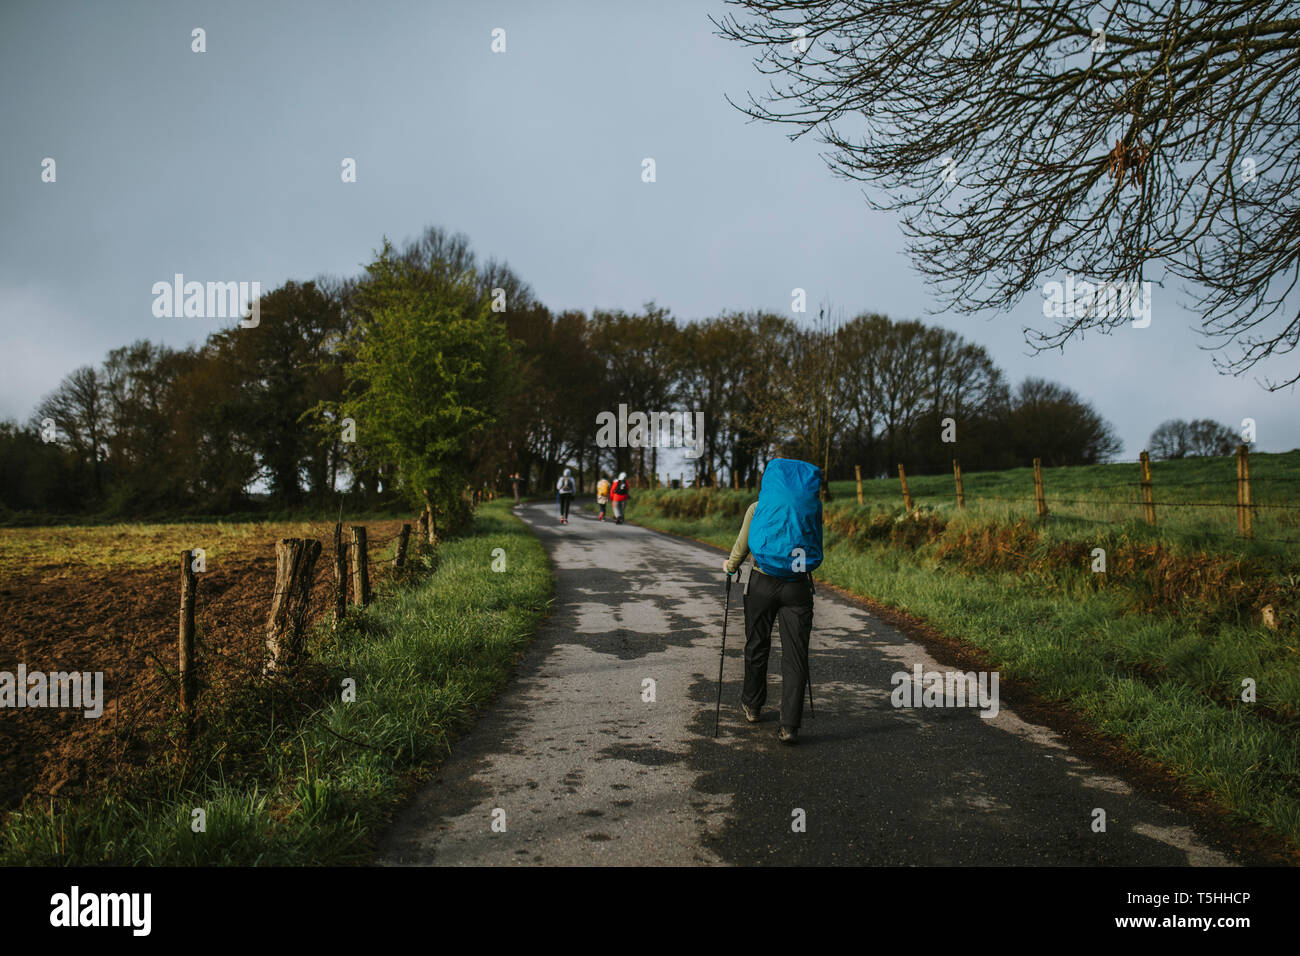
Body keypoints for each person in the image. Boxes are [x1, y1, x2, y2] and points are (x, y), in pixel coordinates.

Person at [722, 458, 823, 744]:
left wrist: (730, 567)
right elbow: (814, 542)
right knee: (795, 655)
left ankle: (752, 706)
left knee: (757, 644)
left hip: (762, 582)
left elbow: (742, 546)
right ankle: (790, 725)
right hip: (798, 587)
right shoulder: (813, 507)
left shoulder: (757, 508)